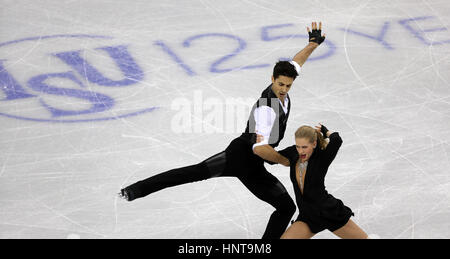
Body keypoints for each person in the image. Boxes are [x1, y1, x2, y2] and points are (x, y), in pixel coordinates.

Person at [118, 22, 326, 239]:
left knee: (286, 207)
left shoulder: (286, 77)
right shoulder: (266, 110)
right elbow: (260, 149)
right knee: (191, 173)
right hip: (239, 157)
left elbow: (297, 62)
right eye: (280, 84)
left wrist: (312, 44)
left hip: (252, 165)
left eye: (288, 86)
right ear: (272, 79)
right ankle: (136, 190)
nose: (284, 90)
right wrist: (286, 161)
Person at [256, 124, 368, 239]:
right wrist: (260, 143)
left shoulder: (322, 156)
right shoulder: (294, 153)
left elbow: (337, 139)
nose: (300, 151)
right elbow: (273, 159)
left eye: (304, 147)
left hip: (328, 213)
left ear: (314, 144)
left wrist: (326, 131)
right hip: (308, 216)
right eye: (298, 146)